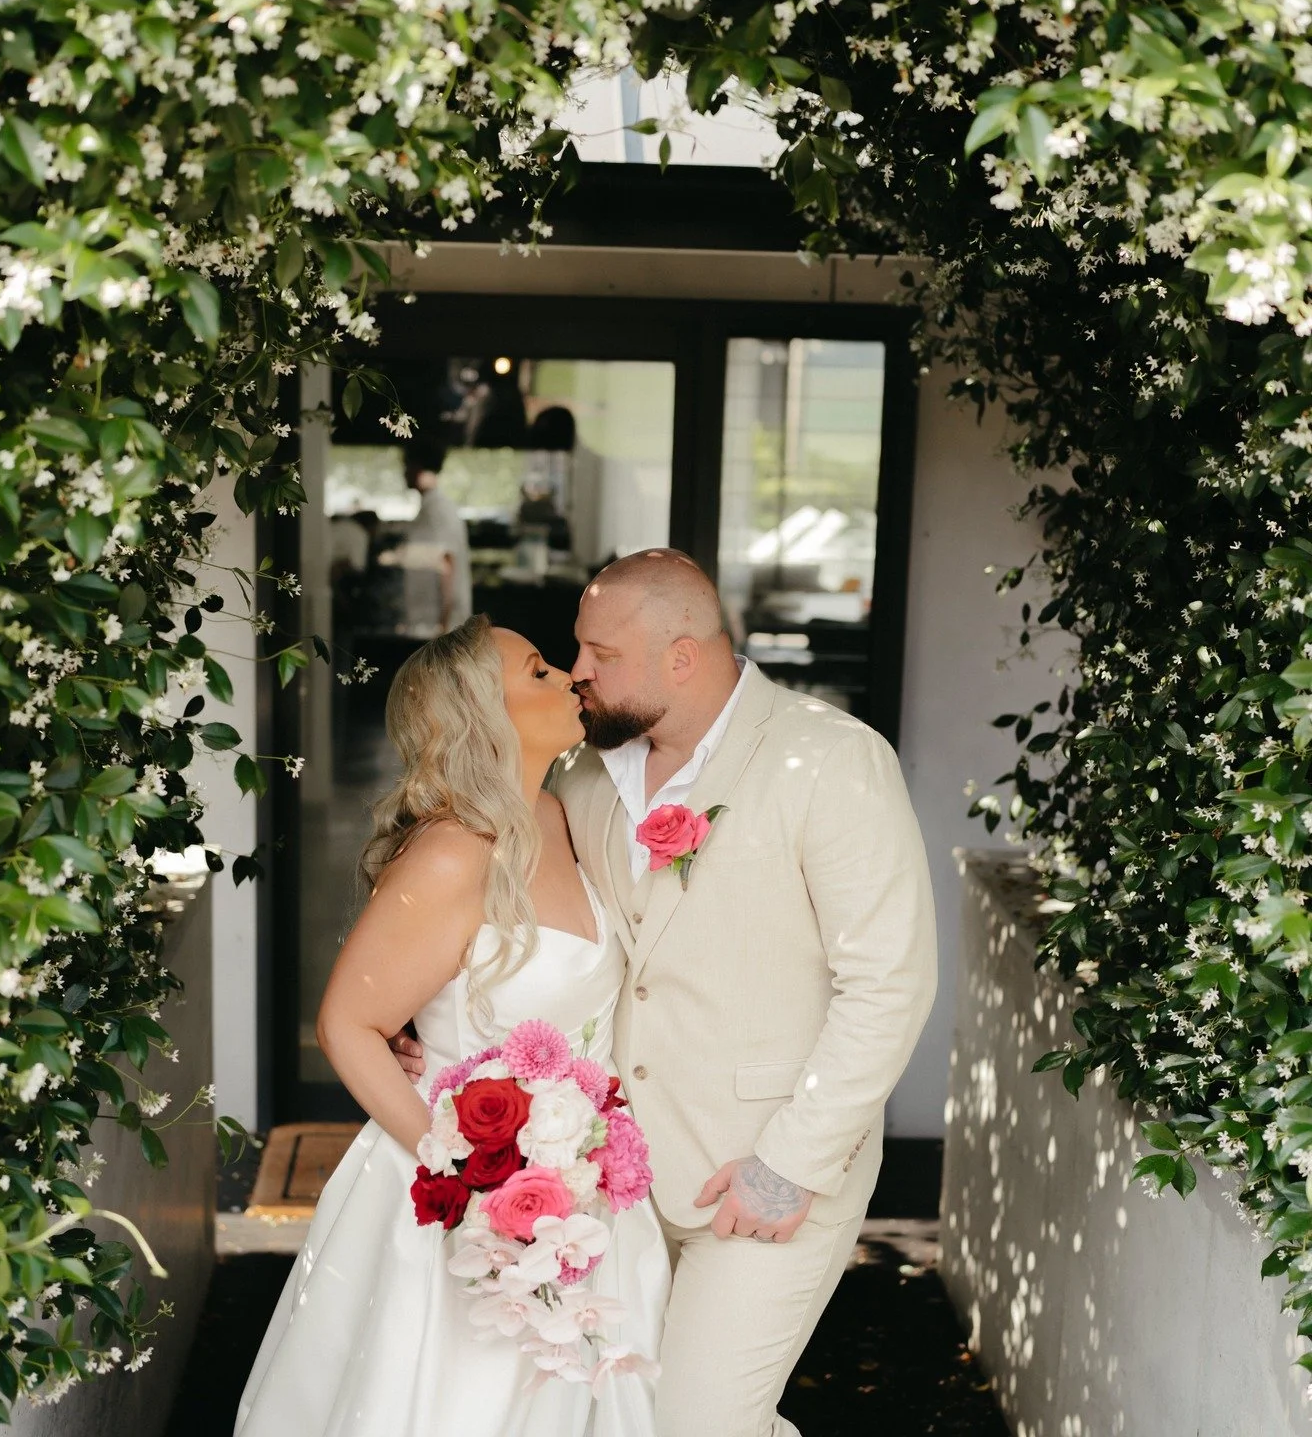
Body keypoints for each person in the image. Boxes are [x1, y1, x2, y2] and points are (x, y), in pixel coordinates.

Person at [396, 548, 937, 1437]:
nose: (579, 674)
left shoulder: (833, 760)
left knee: (703, 1424)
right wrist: (410, 1022)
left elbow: (890, 984)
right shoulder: (576, 777)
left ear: (680, 657)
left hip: (763, 1179)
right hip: (609, 1186)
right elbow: (493, 919)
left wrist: (791, 1164)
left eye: (599, 654)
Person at [235, 616, 669, 1437]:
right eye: (539, 671)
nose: (569, 678)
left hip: (583, 1197)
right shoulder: (451, 853)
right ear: (484, 713)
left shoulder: (560, 814)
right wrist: (473, 1180)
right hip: (454, 1204)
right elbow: (348, 1025)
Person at [399, 436, 472, 637]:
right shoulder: (430, 508)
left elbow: (446, 562)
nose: (403, 472)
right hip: (429, 625)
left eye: (406, 465)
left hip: (440, 629)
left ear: (417, 467)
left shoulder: (439, 510)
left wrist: (442, 626)